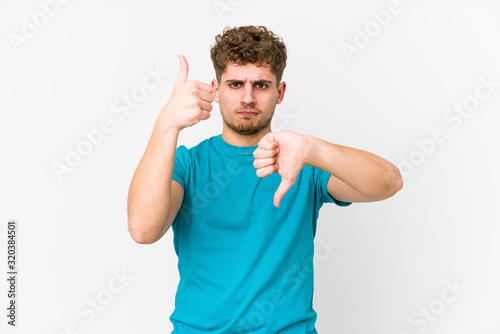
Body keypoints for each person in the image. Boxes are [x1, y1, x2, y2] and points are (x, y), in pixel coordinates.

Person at [127, 25, 403, 334]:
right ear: (215, 90)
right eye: (235, 84)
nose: (247, 98)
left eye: (260, 85)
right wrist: (166, 124)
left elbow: (389, 182)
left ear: (279, 92)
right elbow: (142, 229)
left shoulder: (303, 161)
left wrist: (313, 149)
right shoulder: (188, 163)